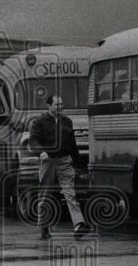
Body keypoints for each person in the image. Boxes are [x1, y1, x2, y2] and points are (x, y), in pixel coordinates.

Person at [27, 94, 91, 240]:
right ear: (49, 106)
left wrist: (78, 164)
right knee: (45, 194)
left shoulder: (67, 122)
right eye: (57, 105)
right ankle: (44, 225)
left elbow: (72, 144)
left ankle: (79, 224)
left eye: (61, 105)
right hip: (48, 160)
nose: (60, 107)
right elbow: (33, 140)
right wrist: (41, 151)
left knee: (70, 193)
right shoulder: (39, 122)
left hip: (64, 160)